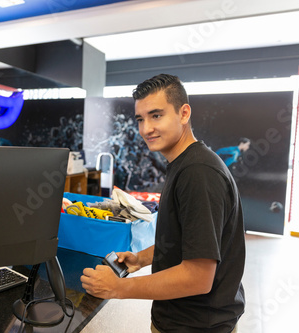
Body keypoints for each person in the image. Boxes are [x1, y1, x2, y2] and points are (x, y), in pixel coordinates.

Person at [81, 74, 245, 332]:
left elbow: (198, 278)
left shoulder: (198, 173)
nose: (146, 129)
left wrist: (118, 288)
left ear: (184, 113)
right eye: (140, 119)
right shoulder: (185, 164)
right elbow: (186, 241)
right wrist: (140, 259)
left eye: (156, 115)